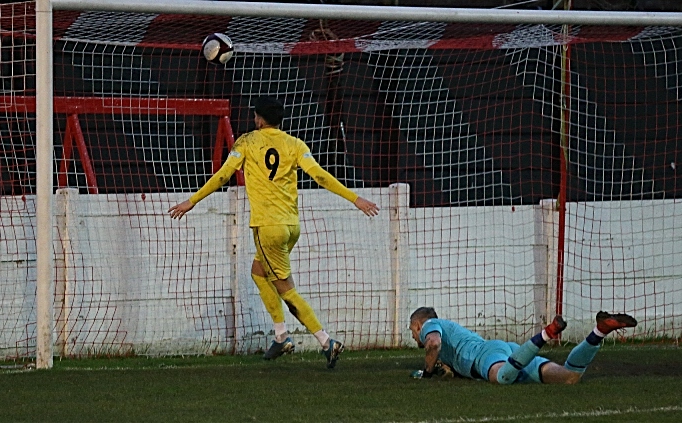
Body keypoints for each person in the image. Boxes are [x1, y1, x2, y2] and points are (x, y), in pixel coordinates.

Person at [168, 96, 379, 369]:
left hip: (267, 227)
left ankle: (326, 341)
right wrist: (355, 199)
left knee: (286, 290)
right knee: (258, 272)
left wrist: (192, 200)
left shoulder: (247, 142)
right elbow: (320, 175)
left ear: (259, 119)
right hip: (291, 226)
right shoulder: (295, 144)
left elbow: (223, 175)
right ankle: (281, 336)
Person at [408, 306, 637, 384]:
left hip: (486, 356)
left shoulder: (430, 324)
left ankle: (546, 335)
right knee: (568, 377)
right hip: (508, 351)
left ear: (418, 325)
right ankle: (600, 330)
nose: (412, 337)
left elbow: (434, 344)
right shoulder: (449, 332)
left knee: (501, 378)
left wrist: (427, 374)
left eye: (412, 331)